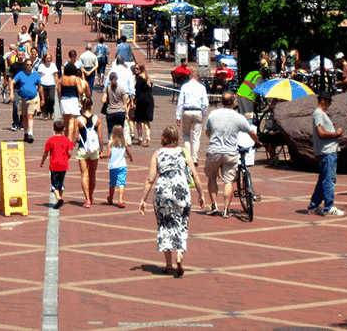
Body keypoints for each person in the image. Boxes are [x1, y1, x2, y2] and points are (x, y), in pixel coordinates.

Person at [138, 126, 205, 277]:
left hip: (163, 193)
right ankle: (180, 254)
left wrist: (143, 199)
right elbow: (195, 175)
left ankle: (168, 264)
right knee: (182, 224)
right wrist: (201, 194)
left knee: (164, 225)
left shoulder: (158, 154)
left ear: (163, 138)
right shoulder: (184, 153)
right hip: (181, 191)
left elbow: (150, 179)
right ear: (177, 139)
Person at [202, 91, 253, 217]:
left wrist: (214, 139)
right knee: (228, 181)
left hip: (214, 150)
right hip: (230, 152)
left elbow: (207, 132)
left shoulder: (213, 114)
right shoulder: (238, 117)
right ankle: (226, 209)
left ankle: (214, 205)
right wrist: (257, 141)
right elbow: (251, 132)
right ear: (234, 102)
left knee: (212, 178)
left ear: (221, 102)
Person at [308, 94, 345, 217]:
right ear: (323, 101)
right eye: (329, 101)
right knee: (329, 179)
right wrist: (336, 134)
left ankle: (313, 206)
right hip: (327, 151)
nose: (330, 104)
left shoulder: (321, 114)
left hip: (327, 150)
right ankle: (329, 206)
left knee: (323, 179)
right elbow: (321, 132)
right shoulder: (318, 113)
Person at [175, 68, 209, 165]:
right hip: (198, 111)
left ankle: (187, 156)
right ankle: (194, 158)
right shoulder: (202, 87)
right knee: (196, 136)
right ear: (198, 78)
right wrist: (204, 112)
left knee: (186, 134)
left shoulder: (184, 86)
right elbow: (205, 103)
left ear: (190, 77)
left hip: (187, 111)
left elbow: (180, 102)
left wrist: (178, 115)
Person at [40, 119, 76, 206]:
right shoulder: (66, 140)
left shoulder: (51, 140)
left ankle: (58, 197)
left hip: (54, 165)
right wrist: (68, 158)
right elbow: (70, 152)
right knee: (61, 182)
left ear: (53, 128)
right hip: (64, 165)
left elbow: (46, 152)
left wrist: (42, 161)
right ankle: (59, 199)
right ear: (64, 129)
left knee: (54, 184)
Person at [75, 100, 103, 207]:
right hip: (94, 149)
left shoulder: (79, 120)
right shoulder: (97, 120)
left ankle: (87, 199)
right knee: (92, 174)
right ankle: (91, 195)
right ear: (92, 106)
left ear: (81, 106)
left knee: (84, 174)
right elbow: (100, 136)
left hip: (83, 148)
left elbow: (76, 136)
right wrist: (101, 150)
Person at [13, 57, 43, 144]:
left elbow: (40, 86)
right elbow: (12, 82)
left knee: (30, 115)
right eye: (27, 65)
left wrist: (41, 98)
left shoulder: (36, 75)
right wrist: (11, 93)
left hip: (32, 98)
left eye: (30, 65)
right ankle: (25, 133)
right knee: (24, 116)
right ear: (24, 65)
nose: (29, 66)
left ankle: (30, 134)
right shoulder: (21, 74)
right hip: (22, 98)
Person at [105, 125, 133, 208]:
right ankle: (121, 200)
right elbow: (128, 152)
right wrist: (130, 157)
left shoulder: (110, 144)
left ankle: (111, 197)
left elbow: (108, 154)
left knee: (112, 183)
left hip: (113, 166)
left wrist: (102, 156)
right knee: (121, 183)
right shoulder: (124, 143)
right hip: (122, 165)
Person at [58, 63, 87, 141]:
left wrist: (59, 100)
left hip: (63, 100)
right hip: (73, 100)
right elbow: (80, 91)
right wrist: (80, 99)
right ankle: (69, 139)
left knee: (65, 121)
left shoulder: (62, 79)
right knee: (72, 121)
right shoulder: (75, 79)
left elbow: (59, 91)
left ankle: (66, 137)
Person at [102, 68, 130, 141]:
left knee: (111, 129)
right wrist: (126, 114)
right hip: (120, 111)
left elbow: (103, 100)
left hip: (110, 111)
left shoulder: (107, 89)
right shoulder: (121, 89)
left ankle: (111, 143)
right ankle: (120, 143)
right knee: (120, 130)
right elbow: (125, 103)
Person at [132, 63, 155, 146]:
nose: (135, 70)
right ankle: (148, 137)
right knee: (146, 120)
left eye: (137, 69)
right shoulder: (147, 78)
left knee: (138, 120)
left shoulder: (139, 79)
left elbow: (137, 92)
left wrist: (134, 101)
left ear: (141, 69)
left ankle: (140, 138)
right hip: (149, 100)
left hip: (142, 100)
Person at [36, 51, 58, 120]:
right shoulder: (41, 66)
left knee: (51, 99)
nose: (48, 59)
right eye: (47, 58)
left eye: (50, 58)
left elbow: (56, 75)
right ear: (45, 59)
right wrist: (38, 84)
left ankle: (51, 112)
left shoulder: (53, 65)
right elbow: (39, 75)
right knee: (44, 99)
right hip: (43, 84)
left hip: (51, 84)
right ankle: (45, 114)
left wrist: (56, 83)